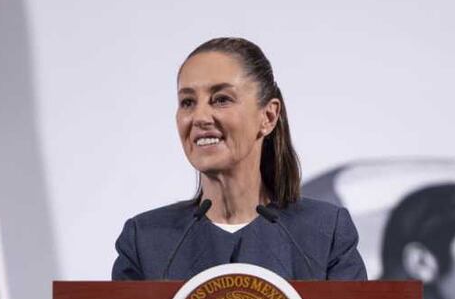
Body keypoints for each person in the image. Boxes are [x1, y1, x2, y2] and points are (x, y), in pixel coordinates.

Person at [111, 37, 366, 281]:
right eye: (187, 102)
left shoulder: (324, 232)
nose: (199, 117)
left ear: (268, 116)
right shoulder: (145, 241)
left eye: (221, 99)